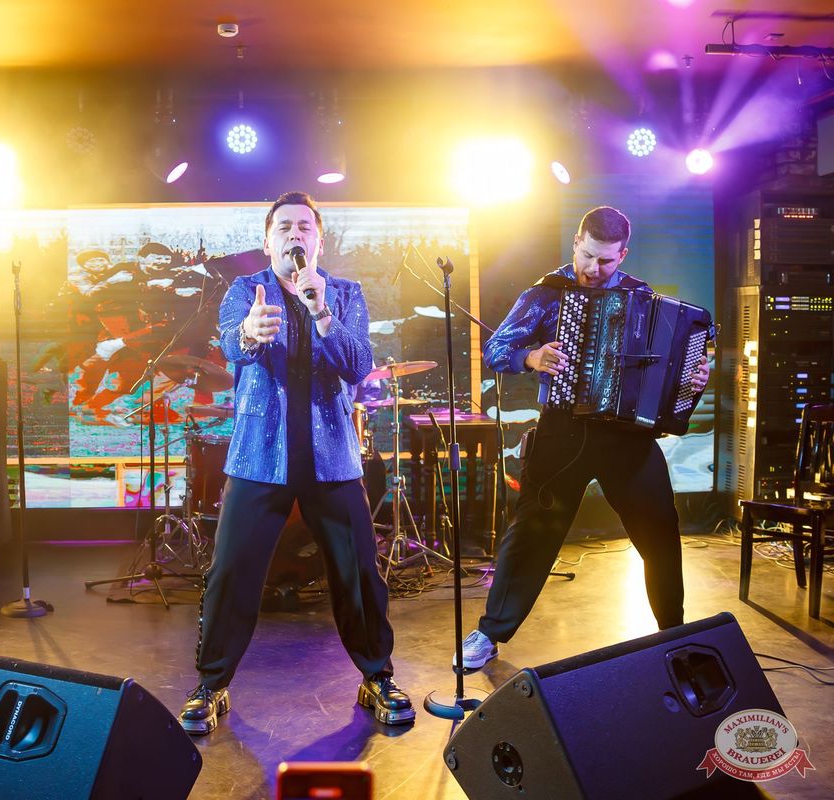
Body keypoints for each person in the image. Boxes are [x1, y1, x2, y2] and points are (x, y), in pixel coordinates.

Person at [179, 191, 414, 735]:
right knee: (231, 573)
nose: (295, 235)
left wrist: (321, 310)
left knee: (359, 573)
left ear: (319, 241)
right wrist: (249, 332)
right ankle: (211, 684)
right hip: (260, 455)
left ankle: (377, 676)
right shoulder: (245, 291)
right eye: (284, 227)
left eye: (305, 227)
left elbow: (358, 365)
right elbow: (233, 346)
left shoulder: (344, 293)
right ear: (268, 241)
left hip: (332, 457)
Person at [458, 206, 710, 669]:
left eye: (606, 260)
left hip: (627, 437)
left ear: (623, 255)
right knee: (531, 534)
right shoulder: (544, 293)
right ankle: (489, 634)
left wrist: (693, 378)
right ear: (576, 243)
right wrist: (532, 357)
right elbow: (495, 349)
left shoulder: (641, 296)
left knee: (660, 530)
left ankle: (673, 634)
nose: (594, 268)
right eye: (588, 256)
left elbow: (672, 365)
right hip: (564, 432)